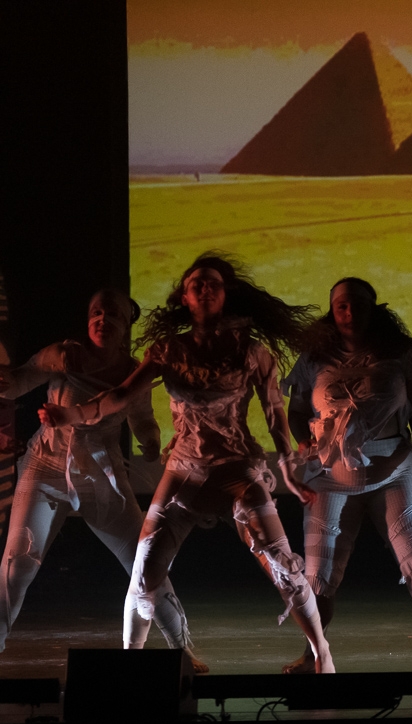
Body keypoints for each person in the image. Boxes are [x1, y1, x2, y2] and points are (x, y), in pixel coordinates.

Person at [42, 253, 335, 673]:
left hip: (237, 470)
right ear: (184, 297)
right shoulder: (168, 350)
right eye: (197, 283)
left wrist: (288, 468)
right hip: (184, 471)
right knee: (144, 571)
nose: (205, 288)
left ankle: (323, 655)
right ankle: (128, 666)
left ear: (226, 294)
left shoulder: (252, 352)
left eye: (213, 283)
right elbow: (120, 396)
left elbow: (274, 413)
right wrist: (71, 414)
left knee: (284, 568)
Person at [282, 278, 412, 673]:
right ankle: (314, 656)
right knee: (319, 572)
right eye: (341, 305)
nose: (350, 312)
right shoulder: (314, 358)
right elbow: (297, 410)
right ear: (332, 311)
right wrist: (304, 441)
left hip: (393, 465)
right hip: (331, 472)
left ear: (374, 309)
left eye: (358, 304)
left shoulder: (399, 354)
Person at [0, 289, 191, 656]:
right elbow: (19, 381)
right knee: (17, 565)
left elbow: (142, 419)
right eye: (96, 313)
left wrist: (151, 441)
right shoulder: (63, 356)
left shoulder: (133, 373)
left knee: (145, 562)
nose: (103, 320)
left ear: (126, 326)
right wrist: (5, 381)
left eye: (113, 314)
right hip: (46, 468)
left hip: (102, 477)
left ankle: (180, 649)